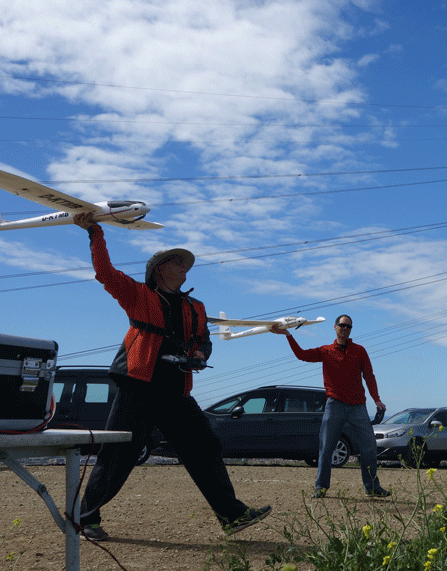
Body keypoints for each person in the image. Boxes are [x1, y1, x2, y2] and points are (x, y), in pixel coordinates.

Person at [73, 212, 270, 541]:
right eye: (176, 262)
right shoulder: (139, 295)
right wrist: (95, 232)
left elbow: (203, 340)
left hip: (176, 390)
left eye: (185, 263)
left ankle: (232, 516)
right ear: (159, 270)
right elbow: (105, 273)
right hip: (138, 386)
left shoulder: (196, 307)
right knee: (119, 453)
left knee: (205, 446)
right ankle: (85, 519)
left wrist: (200, 355)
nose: (184, 266)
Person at [271, 314, 389, 498]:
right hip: (335, 405)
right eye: (342, 325)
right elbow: (302, 355)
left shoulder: (360, 351)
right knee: (326, 447)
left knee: (369, 447)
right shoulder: (325, 351)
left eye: (348, 326)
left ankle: (372, 487)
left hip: (358, 406)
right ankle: (321, 487)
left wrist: (377, 399)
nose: (345, 329)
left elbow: (369, 375)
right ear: (335, 327)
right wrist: (287, 334)